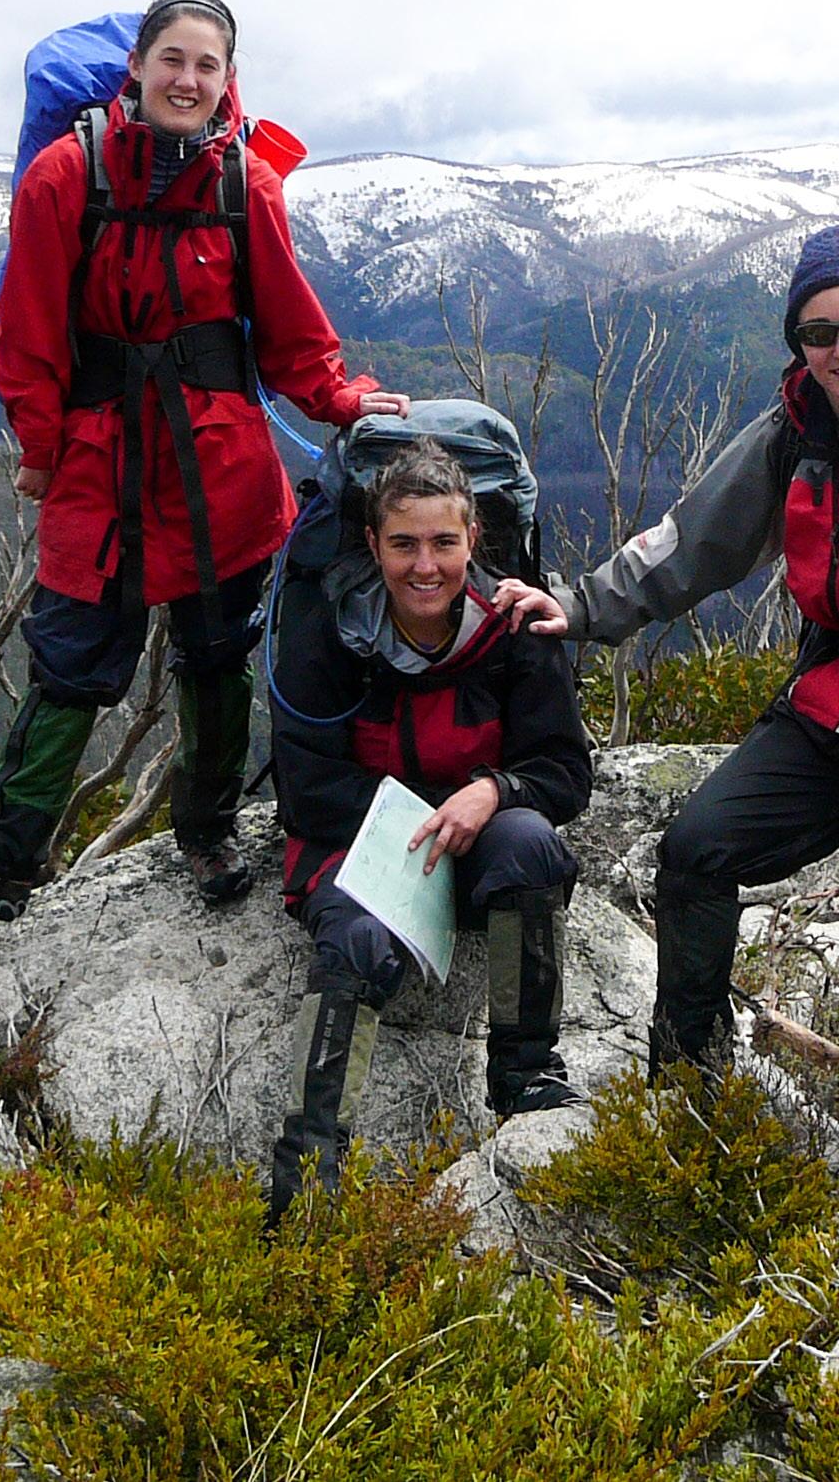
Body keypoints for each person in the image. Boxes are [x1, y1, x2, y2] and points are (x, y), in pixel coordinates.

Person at [493, 224, 839, 1112]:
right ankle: (689, 1087)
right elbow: (693, 539)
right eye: (818, 333)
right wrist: (584, 607)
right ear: (798, 342)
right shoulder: (791, 431)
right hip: (833, 702)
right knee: (695, 852)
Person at [0, 0, 407, 920]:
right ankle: (6, 853)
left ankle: (207, 834)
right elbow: (28, 333)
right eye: (172, 59)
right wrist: (39, 447)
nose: (187, 79)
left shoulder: (245, 184)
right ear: (136, 66)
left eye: (207, 65)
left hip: (220, 470)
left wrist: (341, 400)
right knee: (71, 659)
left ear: (227, 80)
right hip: (101, 467)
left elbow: (290, 328)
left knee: (217, 654)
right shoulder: (65, 175)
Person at [268, 442, 591, 1214]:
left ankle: (525, 1075)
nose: (425, 566)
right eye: (404, 543)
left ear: (473, 538)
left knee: (532, 847)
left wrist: (494, 790)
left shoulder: (512, 627)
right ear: (372, 543)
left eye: (444, 542)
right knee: (355, 942)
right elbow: (305, 789)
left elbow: (564, 771)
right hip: (357, 842)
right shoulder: (329, 631)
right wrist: (420, 819)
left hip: (479, 842)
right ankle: (308, 1172)